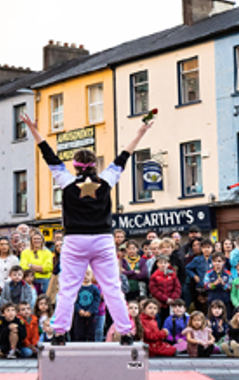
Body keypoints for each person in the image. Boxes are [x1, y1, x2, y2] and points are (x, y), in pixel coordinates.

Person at [23, 113, 151, 346]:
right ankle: (126, 331)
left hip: (74, 241)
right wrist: (140, 133)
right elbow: (124, 156)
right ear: (95, 165)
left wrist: (34, 129)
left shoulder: (66, 181)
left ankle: (59, 332)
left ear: (75, 166)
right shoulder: (107, 180)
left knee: (68, 289)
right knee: (112, 288)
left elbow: (48, 155)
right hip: (102, 240)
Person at [72, 268, 100, 342]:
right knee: (79, 334)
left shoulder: (95, 289)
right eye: (83, 274)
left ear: (92, 276)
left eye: (88, 274)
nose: (85, 276)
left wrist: (90, 311)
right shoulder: (77, 288)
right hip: (79, 315)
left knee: (91, 334)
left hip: (91, 315)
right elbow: (74, 301)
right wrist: (79, 310)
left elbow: (96, 302)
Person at [149, 255, 181, 320]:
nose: (163, 265)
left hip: (172, 303)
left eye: (165, 263)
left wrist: (173, 298)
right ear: (157, 264)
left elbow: (177, 287)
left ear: (168, 264)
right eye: (161, 263)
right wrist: (166, 299)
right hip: (160, 303)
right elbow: (153, 290)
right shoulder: (154, 276)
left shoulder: (173, 274)